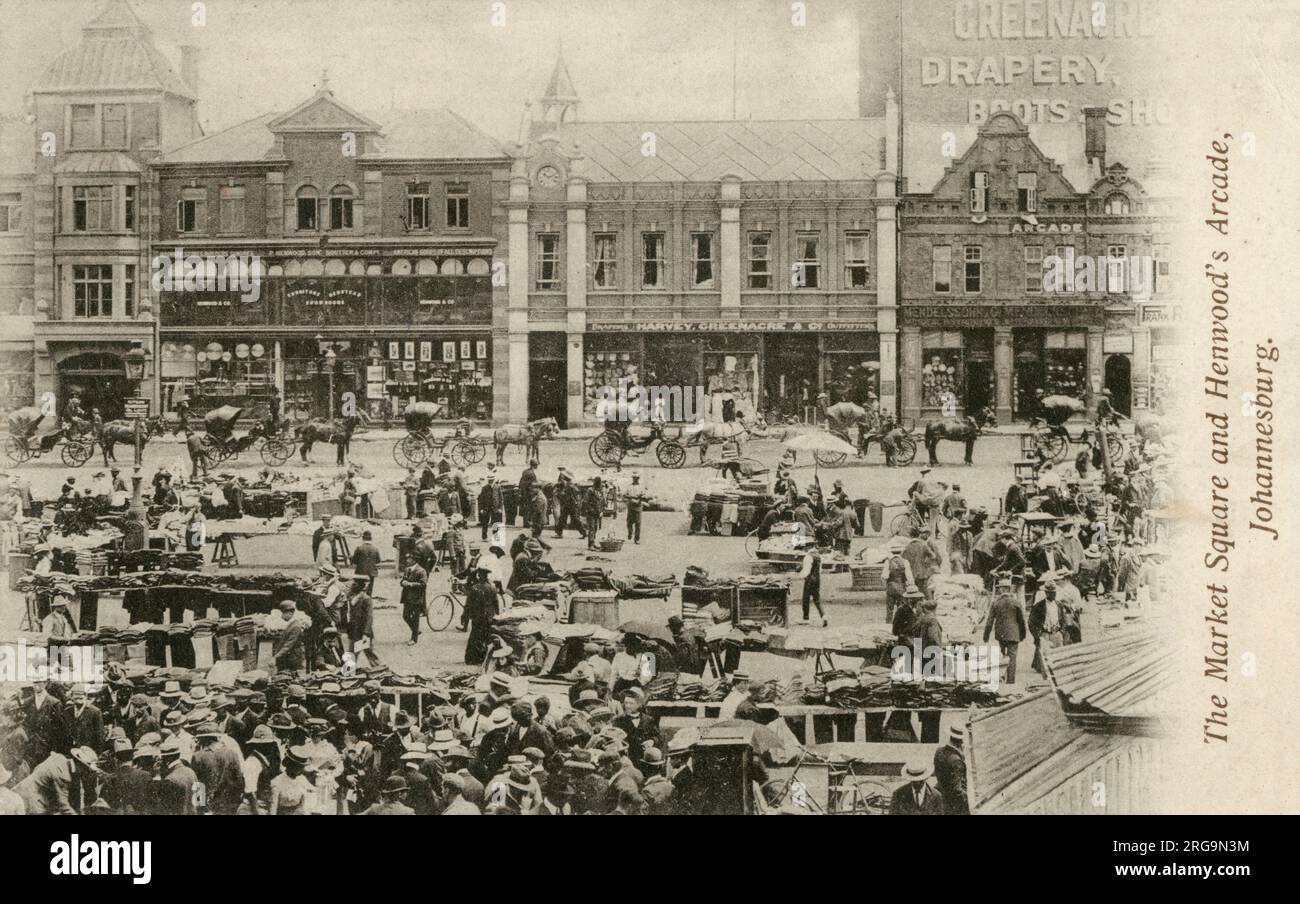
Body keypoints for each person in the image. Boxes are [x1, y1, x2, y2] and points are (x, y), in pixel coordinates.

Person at [983, 576, 1026, 686]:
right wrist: (1022, 634)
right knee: (1012, 658)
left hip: (1001, 634)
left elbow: (989, 621)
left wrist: (986, 636)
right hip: (1014, 634)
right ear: (1009, 589)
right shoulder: (1016, 602)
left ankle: (1001, 678)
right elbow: (1021, 620)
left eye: (999, 588)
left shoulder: (996, 603)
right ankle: (1010, 681)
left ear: (1001, 589)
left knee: (1002, 656)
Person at [463, 566, 499, 665]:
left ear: (479, 576)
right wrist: (497, 614)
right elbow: (496, 602)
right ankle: (484, 657)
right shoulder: (492, 587)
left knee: (475, 636)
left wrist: (465, 616)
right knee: (486, 636)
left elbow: (468, 604)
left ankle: (473, 658)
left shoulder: (475, 588)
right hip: (489, 615)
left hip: (478, 616)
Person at [932, 727, 969, 815]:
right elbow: (957, 789)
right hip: (952, 803)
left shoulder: (939, 751)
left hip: (940, 794)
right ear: (960, 742)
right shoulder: (956, 761)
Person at [346, 574, 380, 666]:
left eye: (354, 584)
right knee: (353, 653)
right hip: (354, 631)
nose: (352, 585)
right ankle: (348, 673)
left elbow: (369, 618)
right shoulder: (353, 596)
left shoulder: (366, 599)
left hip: (362, 632)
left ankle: (381, 670)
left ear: (359, 585)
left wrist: (366, 633)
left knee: (369, 654)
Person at [903, 528, 942, 599]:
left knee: (912, 593)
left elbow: (903, 559)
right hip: (922, 573)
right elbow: (933, 556)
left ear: (910, 536)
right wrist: (925, 561)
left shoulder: (907, 546)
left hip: (910, 574)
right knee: (922, 592)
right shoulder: (923, 545)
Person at [271, 600, 307, 672]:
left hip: (293, 659)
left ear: (290, 612)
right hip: (289, 658)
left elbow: (288, 645)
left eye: (282, 613)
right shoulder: (291, 624)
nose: (281, 616)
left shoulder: (295, 626)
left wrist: (275, 657)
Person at [400, 558, 428, 646]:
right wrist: (403, 582)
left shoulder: (421, 571)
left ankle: (414, 639)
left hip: (417, 599)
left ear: (414, 560)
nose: (407, 560)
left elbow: (423, 584)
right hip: (407, 598)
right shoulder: (407, 569)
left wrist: (411, 584)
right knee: (405, 616)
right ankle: (416, 630)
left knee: (415, 619)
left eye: (409, 559)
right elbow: (402, 581)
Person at [798, 547, 826, 626]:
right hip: (817, 579)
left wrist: (799, 576)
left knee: (805, 599)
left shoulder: (808, 557)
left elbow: (806, 571)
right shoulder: (818, 556)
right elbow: (820, 570)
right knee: (817, 599)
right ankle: (823, 616)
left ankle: (806, 618)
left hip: (810, 579)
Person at [351, 530, 382, 594]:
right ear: (371, 539)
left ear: (363, 538)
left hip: (360, 573)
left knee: (359, 590)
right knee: (369, 590)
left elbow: (354, 563)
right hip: (371, 573)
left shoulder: (359, 548)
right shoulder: (375, 549)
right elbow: (378, 562)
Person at [478, 475, 504, 541]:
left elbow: (501, 498)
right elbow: (481, 499)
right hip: (486, 507)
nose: (490, 481)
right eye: (489, 479)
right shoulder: (484, 488)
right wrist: (481, 509)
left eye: (492, 479)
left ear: (494, 480)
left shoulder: (498, 487)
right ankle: (484, 537)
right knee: (485, 522)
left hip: (495, 507)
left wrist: (500, 508)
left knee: (495, 523)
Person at [582, 478, 605, 550]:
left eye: (599, 483)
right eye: (597, 483)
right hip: (591, 512)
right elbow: (585, 501)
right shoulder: (590, 490)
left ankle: (593, 542)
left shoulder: (600, 491)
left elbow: (602, 502)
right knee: (591, 528)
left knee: (595, 528)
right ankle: (590, 544)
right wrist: (590, 509)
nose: (599, 484)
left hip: (597, 512)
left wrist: (601, 511)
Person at [624, 473, 646, 544]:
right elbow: (625, 494)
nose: (635, 479)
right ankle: (630, 532)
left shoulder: (641, 487)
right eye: (634, 478)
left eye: (637, 478)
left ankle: (637, 539)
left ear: (638, 479)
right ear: (632, 478)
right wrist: (629, 497)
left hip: (638, 506)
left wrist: (639, 498)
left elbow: (644, 495)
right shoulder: (629, 486)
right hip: (630, 506)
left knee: (638, 524)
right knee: (629, 522)